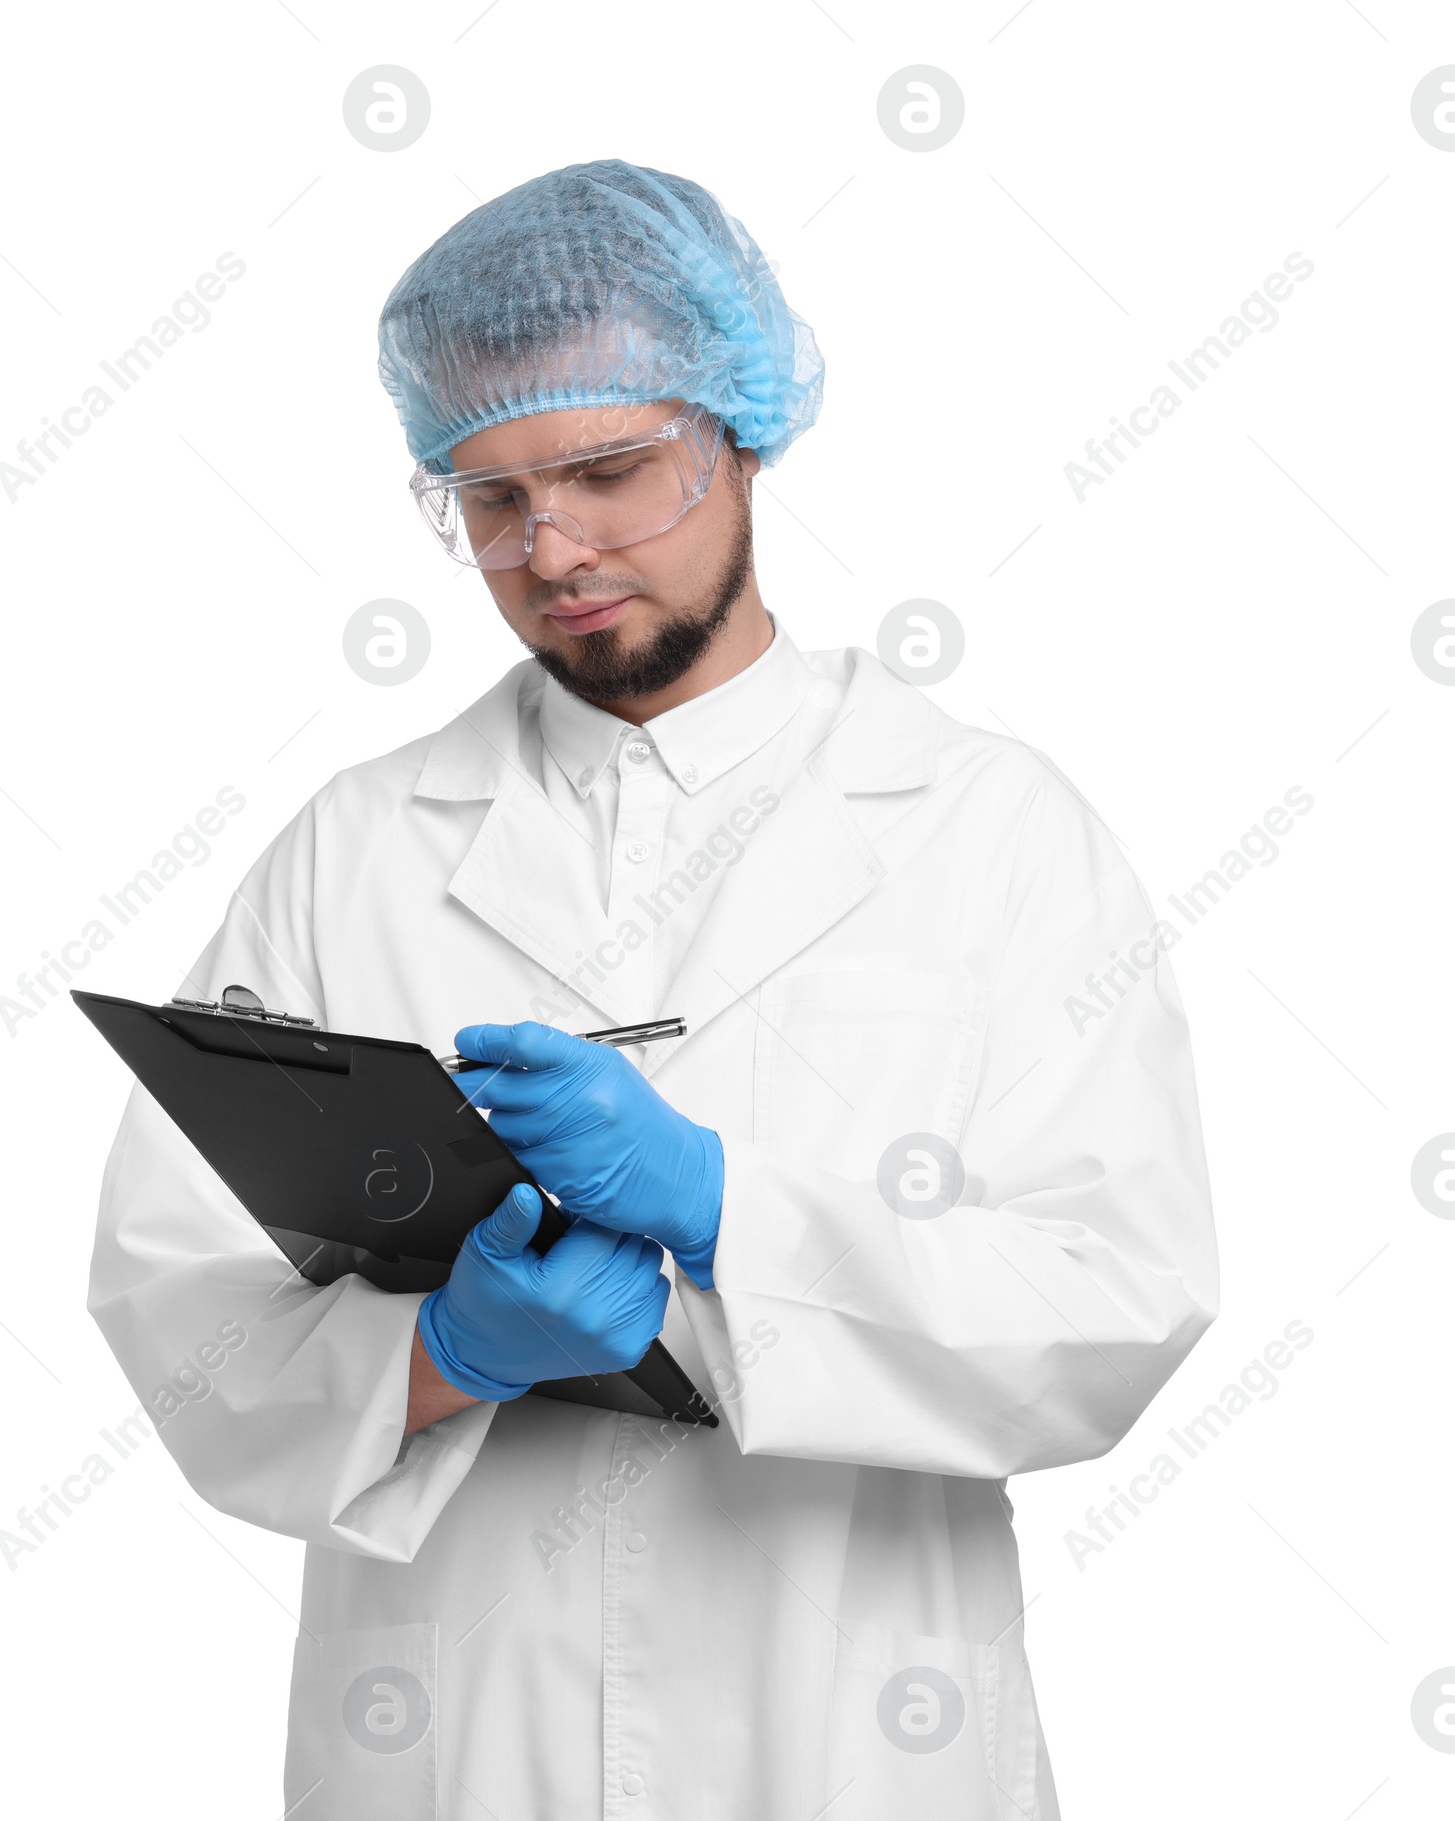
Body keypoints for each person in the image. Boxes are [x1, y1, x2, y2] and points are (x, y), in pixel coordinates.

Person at [88, 158, 1217, 1819]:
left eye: (610, 470)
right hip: (456, 1747)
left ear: (742, 431)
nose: (552, 547)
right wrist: (444, 1354)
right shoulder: (358, 849)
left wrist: (725, 1215)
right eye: (490, 498)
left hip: (850, 1746)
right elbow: (172, 1300)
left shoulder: (989, 830)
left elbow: (1119, 1300)